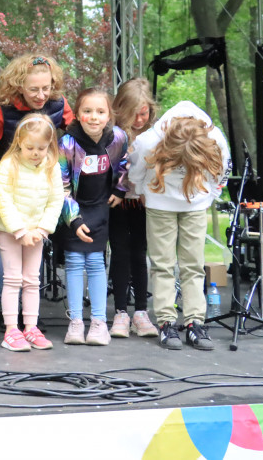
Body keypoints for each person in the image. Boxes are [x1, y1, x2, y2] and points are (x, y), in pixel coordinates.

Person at [127, 101, 230, 351]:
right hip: (160, 204)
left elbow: (222, 174)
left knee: (193, 266)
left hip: (196, 205)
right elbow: (134, 175)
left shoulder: (215, 139)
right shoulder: (149, 141)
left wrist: (207, 198)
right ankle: (166, 323)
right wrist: (144, 194)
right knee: (162, 264)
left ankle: (196, 322)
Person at [0, 53, 74, 303]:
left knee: (34, 249)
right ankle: (9, 310)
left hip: (40, 193)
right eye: (34, 89)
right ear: (18, 85)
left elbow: (77, 135)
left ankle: (29, 313)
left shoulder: (60, 104)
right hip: (7, 190)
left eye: (46, 88)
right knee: (5, 252)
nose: (41, 95)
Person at [58, 88, 128, 346]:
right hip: (74, 209)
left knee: (97, 263)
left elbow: (123, 165)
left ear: (109, 115)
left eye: (100, 112)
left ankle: (98, 322)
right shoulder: (67, 144)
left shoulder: (118, 137)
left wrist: (120, 190)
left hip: (100, 207)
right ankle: (76, 321)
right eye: (87, 111)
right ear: (77, 114)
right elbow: (62, 186)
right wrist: (73, 220)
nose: (94, 117)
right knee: (75, 262)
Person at [0, 114, 65, 351]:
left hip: (37, 233)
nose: (36, 153)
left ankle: (31, 328)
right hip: (10, 231)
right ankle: (11, 330)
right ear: (19, 142)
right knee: (13, 279)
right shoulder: (8, 165)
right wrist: (20, 230)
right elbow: (3, 200)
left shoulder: (52, 166)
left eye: (42, 148)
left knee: (32, 280)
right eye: (30, 147)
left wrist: (42, 229)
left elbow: (56, 200)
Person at [108, 78, 160, 338]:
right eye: (133, 114)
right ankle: (120, 312)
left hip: (142, 202)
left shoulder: (155, 135)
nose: (139, 119)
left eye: (144, 113)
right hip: (116, 202)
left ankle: (141, 311)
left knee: (140, 254)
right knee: (119, 252)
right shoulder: (112, 134)